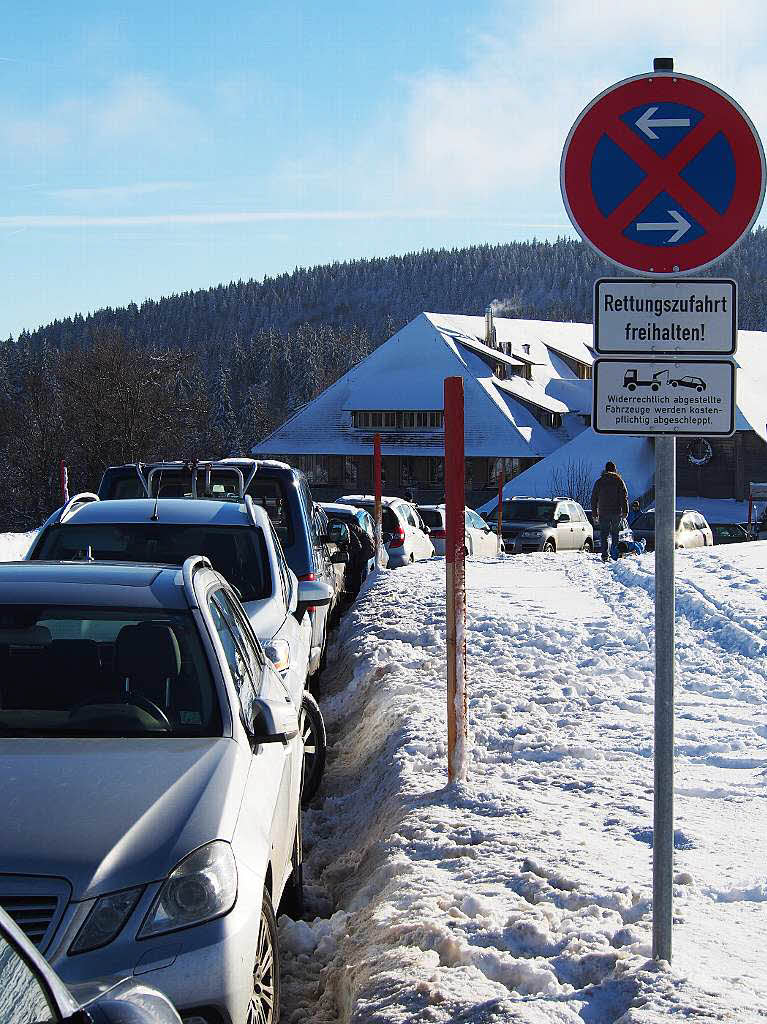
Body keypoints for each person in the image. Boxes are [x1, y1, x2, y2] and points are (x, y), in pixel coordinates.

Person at [590, 460, 629, 563]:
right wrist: (625, 511)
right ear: (615, 470)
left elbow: (594, 498)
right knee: (615, 534)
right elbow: (624, 497)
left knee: (604, 535)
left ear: (605, 469)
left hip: (603, 512)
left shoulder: (600, 482)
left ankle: (605, 555)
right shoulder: (619, 481)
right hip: (616, 512)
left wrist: (595, 514)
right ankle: (614, 554)